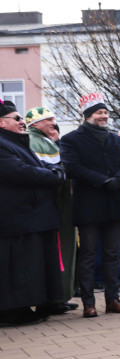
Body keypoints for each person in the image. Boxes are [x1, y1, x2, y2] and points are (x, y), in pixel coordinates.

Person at [61, 93, 120, 317]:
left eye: (105, 112)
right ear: (87, 115)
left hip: (114, 202)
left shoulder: (114, 138)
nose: (104, 116)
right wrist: (103, 182)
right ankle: (88, 303)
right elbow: (72, 167)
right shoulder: (71, 139)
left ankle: (113, 299)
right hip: (89, 204)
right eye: (99, 112)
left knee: (113, 253)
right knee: (89, 254)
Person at [0, 101, 65, 326]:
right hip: (16, 217)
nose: (22, 122)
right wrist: (55, 176)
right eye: (16, 118)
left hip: (31, 216)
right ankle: (12, 311)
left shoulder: (17, 142)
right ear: (1, 122)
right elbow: (20, 171)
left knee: (29, 267)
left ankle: (26, 307)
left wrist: (53, 172)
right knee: (17, 269)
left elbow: (37, 166)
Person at [25, 106, 78, 310]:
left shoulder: (45, 141)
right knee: (57, 250)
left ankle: (58, 297)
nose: (53, 123)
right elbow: (53, 175)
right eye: (48, 120)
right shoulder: (36, 142)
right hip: (53, 207)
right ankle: (55, 298)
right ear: (36, 124)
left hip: (51, 207)